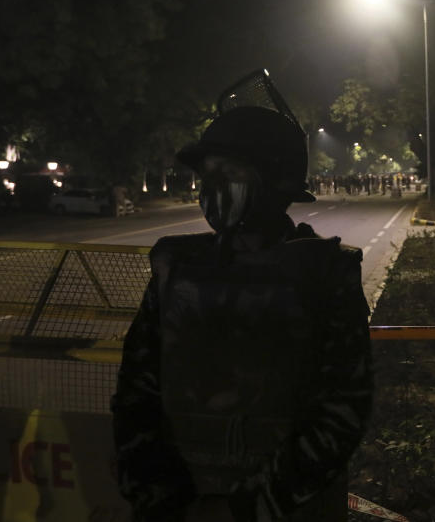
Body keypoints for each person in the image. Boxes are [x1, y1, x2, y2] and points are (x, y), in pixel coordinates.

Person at [111, 70, 373, 521]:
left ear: (275, 182)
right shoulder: (177, 271)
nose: (211, 188)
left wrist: (247, 509)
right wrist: (166, 500)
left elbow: (341, 411)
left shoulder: (324, 276)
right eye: (206, 175)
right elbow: (136, 395)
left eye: (228, 173)